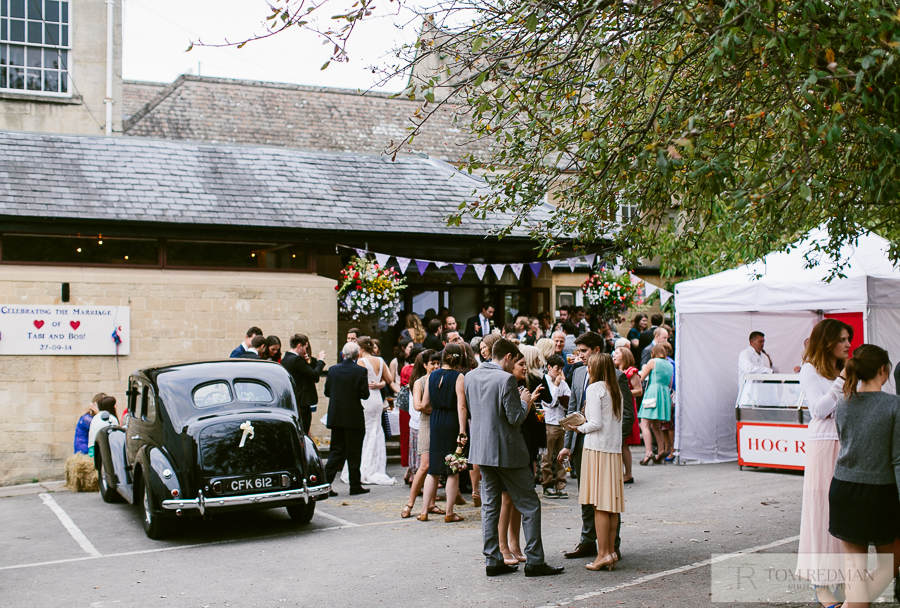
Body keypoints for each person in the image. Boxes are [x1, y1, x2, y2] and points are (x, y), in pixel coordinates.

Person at [465, 337, 564, 577]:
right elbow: (515, 418)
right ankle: (535, 561)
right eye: (515, 361)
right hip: (507, 451)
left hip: (482, 451)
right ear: (508, 357)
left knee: (490, 507)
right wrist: (525, 402)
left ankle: (493, 560)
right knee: (530, 505)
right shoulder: (506, 379)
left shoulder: (470, 376)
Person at [829, 344, 900, 606]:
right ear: (884, 370)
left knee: (854, 570)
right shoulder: (894, 405)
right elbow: (898, 459)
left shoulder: (844, 403)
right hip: (880, 492)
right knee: (890, 563)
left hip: (843, 490)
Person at [557, 331, 631, 561]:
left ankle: (611, 546)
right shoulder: (578, 373)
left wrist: (612, 439)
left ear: (597, 350)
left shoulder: (617, 377)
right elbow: (573, 410)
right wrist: (568, 444)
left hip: (604, 445)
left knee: (608, 499)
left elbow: (625, 414)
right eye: (578, 352)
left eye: (584, 352)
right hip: (582, 443)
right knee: (586, 497)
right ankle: (588, 541)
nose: (580, 357)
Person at [796, 318, 853, 606]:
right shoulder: (810, 370)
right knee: (821, 511)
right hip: (823, 445)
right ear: (827, 341)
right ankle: (821, 584)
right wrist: (842, 382)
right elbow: (819, 410)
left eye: (848, 339)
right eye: (842, 339)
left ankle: (843, 577)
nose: (848, 344)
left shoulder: (843, 370)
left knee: (845, 514)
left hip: (847, 444)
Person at [418, 344, 469, 523]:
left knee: (434, 469)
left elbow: (425, 403)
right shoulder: (459, 377)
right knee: (453, 469)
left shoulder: (432, 375)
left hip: (436, 420)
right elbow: (461, 405)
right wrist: (462, 430)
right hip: (451, 420)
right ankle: (449, 512)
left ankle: (424, 511)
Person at [340, 337, 396, 486]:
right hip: (377, 400)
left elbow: (356, 380)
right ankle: (376, 467)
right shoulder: (380, 360)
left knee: (364, 432)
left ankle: (363, 469)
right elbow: (389, 380)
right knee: (376, 431)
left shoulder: (361, 362)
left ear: (362, 348)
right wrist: (379, 384)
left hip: (366, 399)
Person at [323, 342, 371, 497]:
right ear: (357, 356)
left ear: (342, 355)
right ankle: (355, 485)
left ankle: (324, 484)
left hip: (337, 416)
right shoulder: (360, 371)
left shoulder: (332, 370)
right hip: (353, 417)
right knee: (354, 452)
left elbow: (327, 392)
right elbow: (364, 394)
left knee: (336, 452)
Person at [402, 350, 444, 519]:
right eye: (432, 363)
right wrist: (437, 408)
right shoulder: (419, 382)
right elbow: (418, 406)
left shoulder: (441, 379)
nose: (435, 366)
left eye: (437, 363)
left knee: (437, 466)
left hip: (439, 423)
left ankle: (431, 503)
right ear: (425, 365)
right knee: (424, 465)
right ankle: (410, 503)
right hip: (426, 424)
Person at [281, 334, 327, 436]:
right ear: (299, 346)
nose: (306, 351)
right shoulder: (297, 360)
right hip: (302, 402)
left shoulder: (286, 358)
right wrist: (321, 360)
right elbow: (314, 376)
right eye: (305, 347)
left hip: (295, 401)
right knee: (303, 432)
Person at [540, 354, 571, 498]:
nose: (559, 372)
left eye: (561, 369)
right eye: (557, 369)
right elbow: (550, 403)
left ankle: (560, 484)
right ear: (549, 367)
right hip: (549, 423)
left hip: (561, 422)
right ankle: (547, 484)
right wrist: (556, 387)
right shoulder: (544, 382)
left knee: (560, 457)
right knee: (547, 457)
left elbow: (569, 401)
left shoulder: (563, 383)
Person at [637, 344, 673, 465]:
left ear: (653, 353)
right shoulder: (669, 365)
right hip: (664, 395)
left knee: (645, 424)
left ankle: (648, 452)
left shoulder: (652, 361)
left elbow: (641, 377)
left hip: (652, 393)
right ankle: (662, 450)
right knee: (656, 426)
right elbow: (669, 384)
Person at [613, 347, 642, 484]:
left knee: (624, 443)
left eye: (617, 353)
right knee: (621, 443)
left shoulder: (631, 372)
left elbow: (639, 390)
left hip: (627, 408)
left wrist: (624, 392)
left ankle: (628, 473)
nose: (614, 355)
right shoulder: (618, 372)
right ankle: (622, 472)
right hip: (618, 408)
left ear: (624, 356)